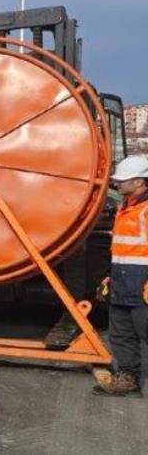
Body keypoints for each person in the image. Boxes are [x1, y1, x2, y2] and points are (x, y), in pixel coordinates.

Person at [93, 154, 148, 397]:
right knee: (121, 333)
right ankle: (128, 377)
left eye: (123, 180)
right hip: (122, 281)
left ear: (139, 182)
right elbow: (120, 248)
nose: (117, 184)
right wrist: (110, 277)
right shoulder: (123, 209)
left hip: (143, 283)